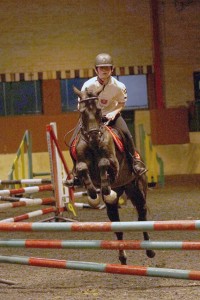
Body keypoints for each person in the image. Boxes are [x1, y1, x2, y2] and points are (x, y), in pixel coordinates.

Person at [71, 53, 146, 176]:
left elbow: (121, 103)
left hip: (111, 116)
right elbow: (80, 104)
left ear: (112, 69)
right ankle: (74, 170)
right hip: (92, 118)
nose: (104, 71)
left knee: (127, 134)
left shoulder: (119, 86)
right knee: (74, 139)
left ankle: (135, 162)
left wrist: (113, 113)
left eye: (107, 68)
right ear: (96, 70)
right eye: (101, 68)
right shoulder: (88, 85)